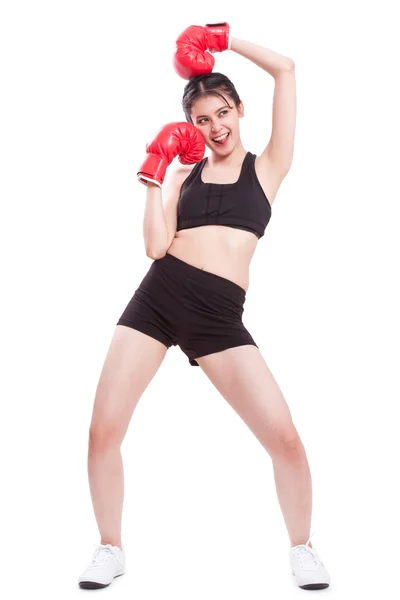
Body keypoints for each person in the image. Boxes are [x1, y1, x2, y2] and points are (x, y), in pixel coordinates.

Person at [78, 24, 330, 591]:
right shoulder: (185, 174)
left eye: (222, 114)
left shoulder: (267, 168)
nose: (214, 128)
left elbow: (286, 68)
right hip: (160, 293)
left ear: (239, 110)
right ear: (190, 126)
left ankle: (303, 547)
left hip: (218, 313)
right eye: (202, 120)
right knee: (103, 431)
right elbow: (154, 246)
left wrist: (226, 39)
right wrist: (152, 175)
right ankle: (109, 548)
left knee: (284, 439)